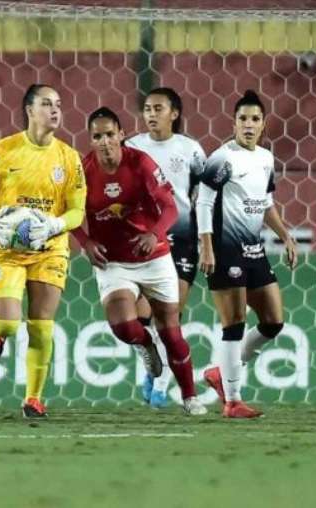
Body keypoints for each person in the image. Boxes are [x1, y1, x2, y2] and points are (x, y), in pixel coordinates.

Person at [0, 84, 86, 418]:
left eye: (58, 104)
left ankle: (33, 398)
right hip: (6, 248)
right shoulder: (5, 150)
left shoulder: (69, 158)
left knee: (42, 325)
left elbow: (77, 212)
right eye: (46, 104)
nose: (55, 110)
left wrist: (55, 226)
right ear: (29, 110)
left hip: (50, 248)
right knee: (7, 324)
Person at [72, 107, 207, 416]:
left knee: (172, 332)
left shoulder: (141, 163)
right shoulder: (82, 171)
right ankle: (146, 346)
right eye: (97, 136)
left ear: (121, 135)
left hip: (154, 257)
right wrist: (85, 240)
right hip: (113, 262)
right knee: (123, 327)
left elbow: (170, 207)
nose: (104, 141)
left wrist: (154, 234)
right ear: (90, 140)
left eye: (109, 134)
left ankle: (189, 396)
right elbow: (66, 213)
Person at [196, 90, 297, 418]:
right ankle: (232, 400)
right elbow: (204, 202)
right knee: (235, 322)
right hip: (225, 249)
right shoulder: (222, 158)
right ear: (234, 122)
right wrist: (207, 246)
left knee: (273, 321)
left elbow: (265, 203)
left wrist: (286, 237)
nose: (249, 125)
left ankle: (219, 372)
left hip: (255, 250)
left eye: (255, 119)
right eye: (243, 119)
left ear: (264, 124)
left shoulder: (266, 158)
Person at [126, 87, 206, 408]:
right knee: (139, 317)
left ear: (174, 113)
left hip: (183, 239)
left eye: (158, 108)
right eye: (147, 108)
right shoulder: (132, 147)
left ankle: (160, 381)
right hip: (145, 240)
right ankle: (154, 364)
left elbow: (206, 197)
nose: (151, 114)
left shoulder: (191, 150)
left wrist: (207, 241)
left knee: (170, 316)